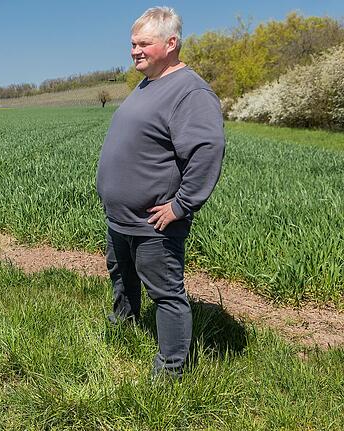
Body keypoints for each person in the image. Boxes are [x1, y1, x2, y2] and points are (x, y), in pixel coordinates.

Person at [95, 7, 225, 378]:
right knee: (121, 274)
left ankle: (170, 369)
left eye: (143, 43)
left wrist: (182, 205)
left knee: (166, 292)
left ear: (171, 43)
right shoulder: (148, 82)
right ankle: (124, 324)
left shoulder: (191, 91)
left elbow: (206, 150)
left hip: (154, 221)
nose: (134, 50)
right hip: (122, 217)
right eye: (132, 43)